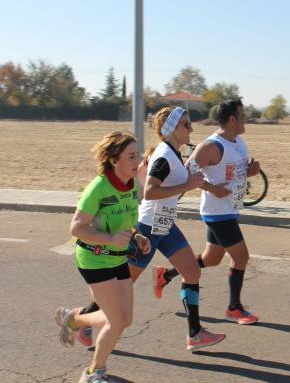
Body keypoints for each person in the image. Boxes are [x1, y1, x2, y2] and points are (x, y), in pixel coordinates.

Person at [72, 107, 226, 351]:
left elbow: (179, 183)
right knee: (120, 290)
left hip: (165, 225)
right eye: (186, 124)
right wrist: (187, 183)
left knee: (192, 272)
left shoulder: (174, 153)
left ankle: (195, 333)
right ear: (172, 128)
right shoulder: (165, 155)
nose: (191, 128)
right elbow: (151, 191)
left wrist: (209, 187)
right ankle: (82, 322)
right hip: (149, 227)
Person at [153, 99, 261, 325]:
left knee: (211, 259)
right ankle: (234, 308)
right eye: (242, 116)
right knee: (241, 256)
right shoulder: (212, 146)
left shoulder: (239, 142)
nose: (245, 120)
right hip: (217, 212)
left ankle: (166, 274)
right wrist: (212, 188)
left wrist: (250, 173)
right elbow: (186, 173)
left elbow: (232, 174)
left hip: (230, 210)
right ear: (232, 119)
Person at [54, 131, 151, 383]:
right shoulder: (98, 188)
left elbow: (127, 221)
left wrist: (136, 235)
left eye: (137, 154)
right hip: (94, 258)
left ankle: (72, 319)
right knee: (116, 321)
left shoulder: (130, 184)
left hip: (118, 257)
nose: (137, 159)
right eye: (131, 155)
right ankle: (93, 373)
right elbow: (76, 228)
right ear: (114, 160)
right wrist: (109, 239)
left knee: (125, 319)